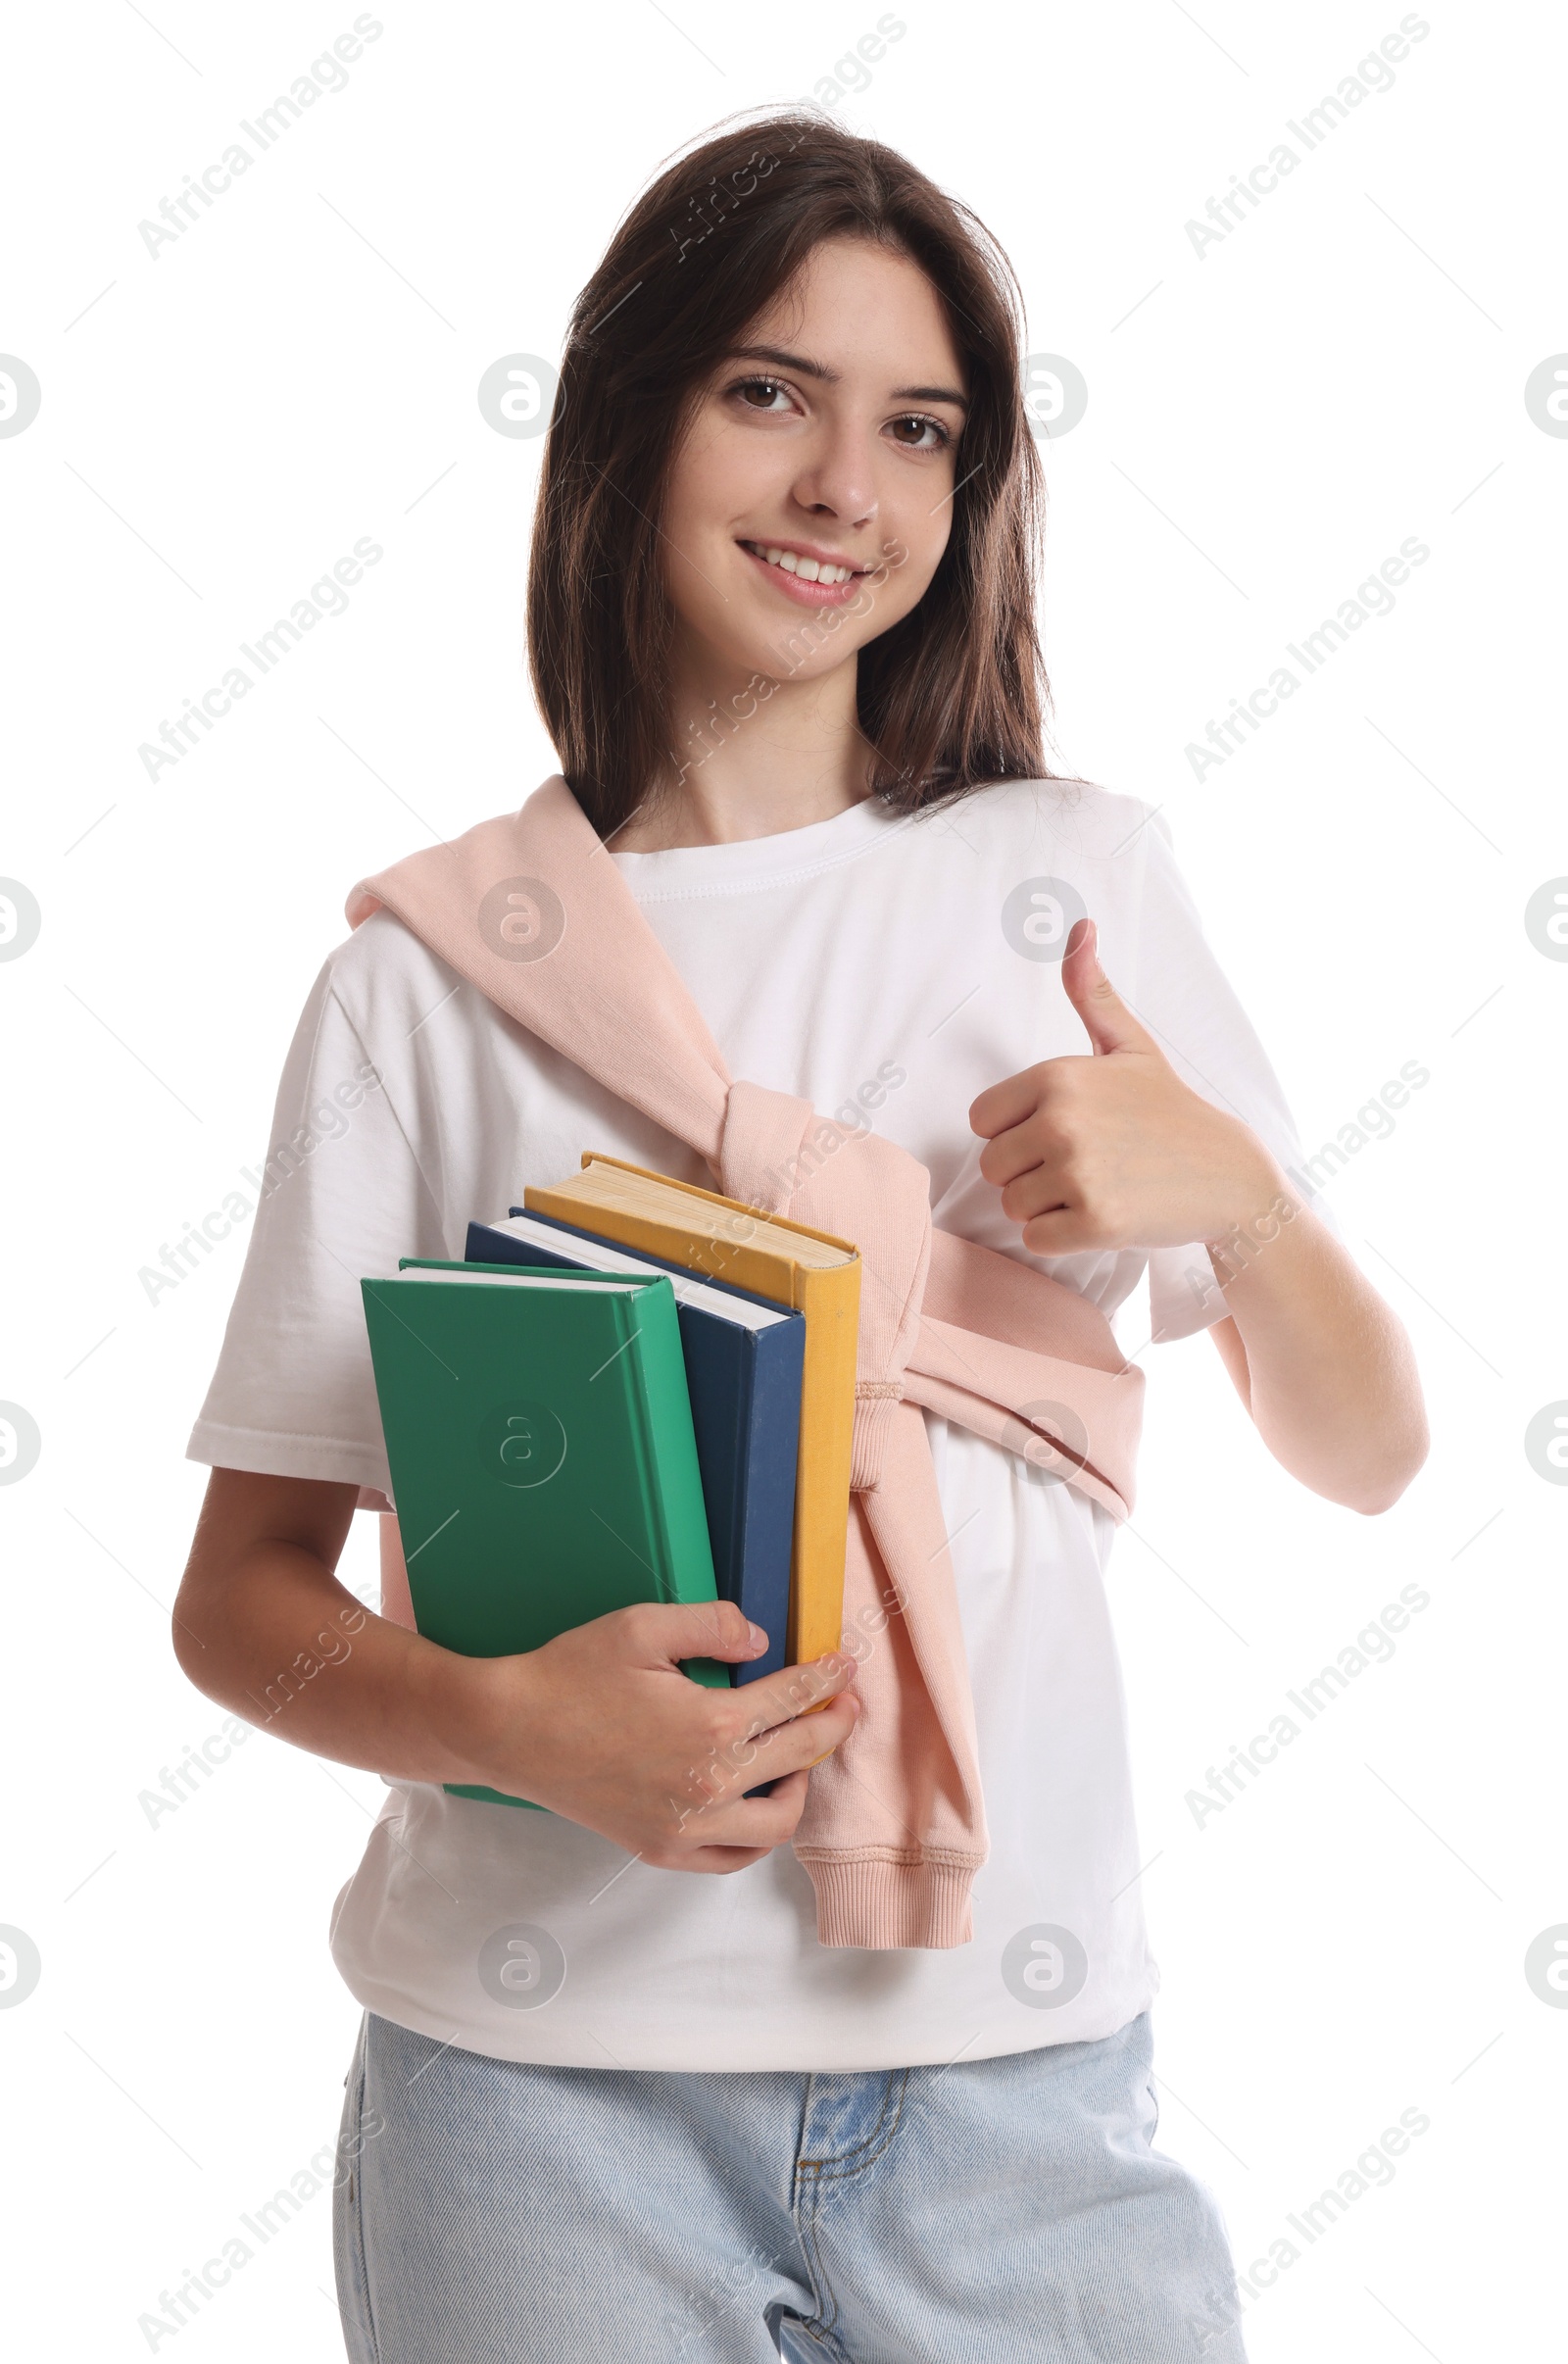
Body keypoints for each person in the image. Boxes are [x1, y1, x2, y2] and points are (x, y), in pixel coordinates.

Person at [172, 110, 1428, 2361]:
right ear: (626, 422)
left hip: (1021, 2083)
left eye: (917, 426)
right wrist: (509, 1723)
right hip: (533, 2109)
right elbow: (236, 1601)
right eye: (770, 391)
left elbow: (1364, 1452)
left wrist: (1231, 1198)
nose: (846, 485)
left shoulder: (1066, 885)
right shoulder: (426, 981)